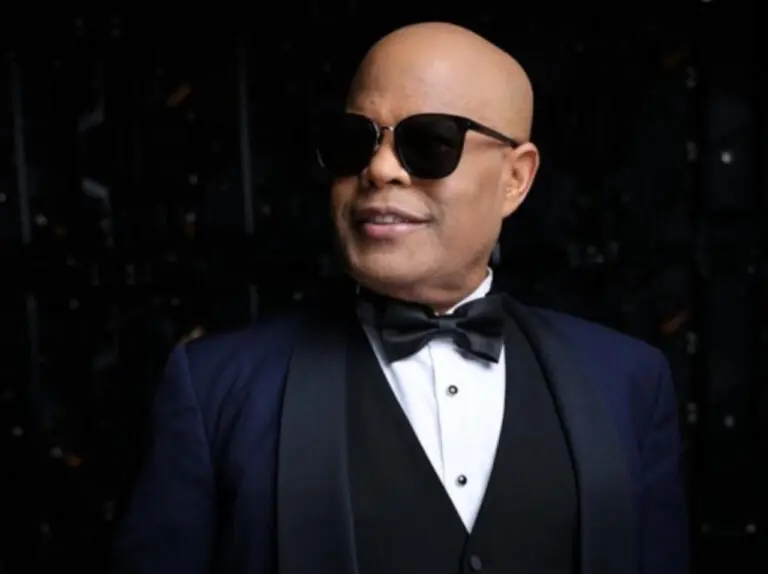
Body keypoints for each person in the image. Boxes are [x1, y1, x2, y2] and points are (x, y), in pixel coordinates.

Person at [113, 22, 688, 574]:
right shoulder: (213, 390)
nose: (380, 169)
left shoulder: (629, 381)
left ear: (515, 179)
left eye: (430, 142)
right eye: (354, 142)